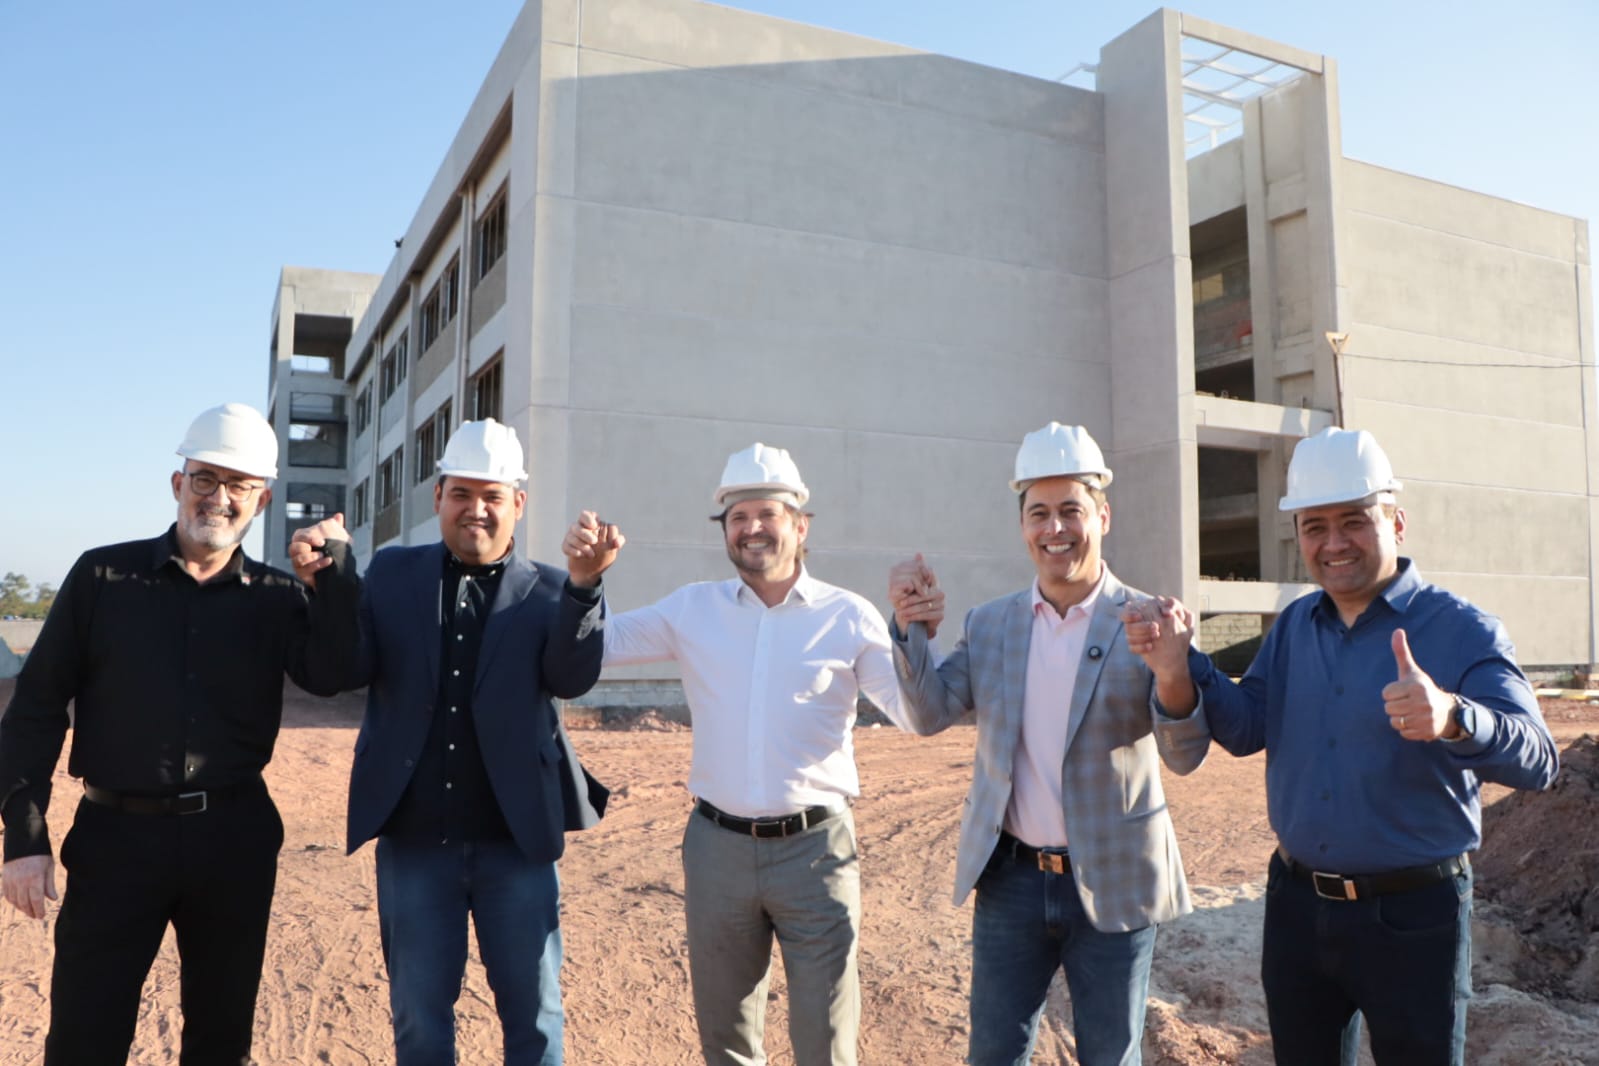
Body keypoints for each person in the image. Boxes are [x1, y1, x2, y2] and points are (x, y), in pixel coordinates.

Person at [1124, 426, 1559, 1066]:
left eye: (1354, 520)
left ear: (1396, 521)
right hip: (1297, 910)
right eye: (1314, 526)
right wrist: (1183, 662)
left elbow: (1540, 760)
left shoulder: (1464, 630)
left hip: (1415, 917)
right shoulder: (1295, 626)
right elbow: (1245, 728)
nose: (1333, 543)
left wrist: (1453, 717)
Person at [0, 402, 360, 1065]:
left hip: (234, 840)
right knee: (83, 1039)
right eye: (205, 479)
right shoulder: (102, 578)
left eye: (239, 485)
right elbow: (36, 707)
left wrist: (333, 578)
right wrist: (23, 837)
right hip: (114, 841)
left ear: (261, 500)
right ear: (178, 483)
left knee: (221, 1042)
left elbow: (335, 673)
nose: (219, 498)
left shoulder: (279, 597)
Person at [561, 442, 918, 1066]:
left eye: (767, 514)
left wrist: (913, 634)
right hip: (717, 852)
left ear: (800, 526)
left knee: (827, 1044)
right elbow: (599, 646)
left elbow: (915, 714)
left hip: (817, 856)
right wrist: (585, 582)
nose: (752, 528)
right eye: (737, 516)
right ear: (724, 529)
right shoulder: (692, 608)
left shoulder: (848, 616)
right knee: (725, 1042)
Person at [885, 422, 1211, 1066]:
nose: (1055, 528)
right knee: (994, 1054)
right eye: (1039, 513)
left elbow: (1184, 755)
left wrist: (1173, 673)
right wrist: (910, 630)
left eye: (1071, 510)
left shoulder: (1149, 621)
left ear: (1103, 516)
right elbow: (928, 714)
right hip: (1011, 882)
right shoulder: (991, 624)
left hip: (1115, 880)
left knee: (1111, 1055)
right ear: (1022, 525)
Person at [312, 417, 608, 1066]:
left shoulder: (551, 591)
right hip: (416, 845)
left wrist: (586, 587)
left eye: (492, 496)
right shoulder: (393, 574)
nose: (476, 509)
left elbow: (571, 678)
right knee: (420, 1021)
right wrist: (333, 579)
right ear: (438, 496)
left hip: (516, 846)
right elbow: (346, 668)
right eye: (462, 494)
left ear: (517, 503)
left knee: (535, 1020)